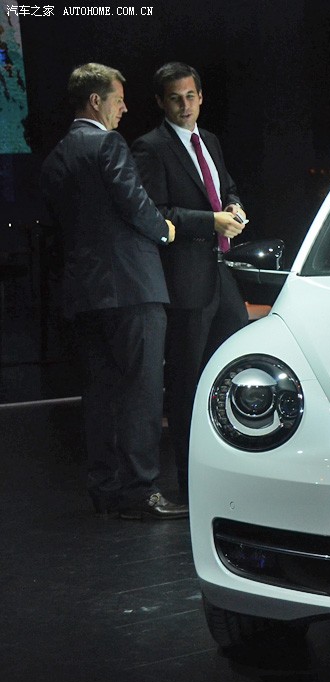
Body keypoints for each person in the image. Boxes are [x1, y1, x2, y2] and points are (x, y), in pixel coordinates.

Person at [40, 63, 187, 521]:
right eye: (118, 100)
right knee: (143, 391)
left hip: (85, 294)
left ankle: (105, 488)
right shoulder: (107, 143)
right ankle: (140, 492)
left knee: (100, 395)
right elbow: (134, 203)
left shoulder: (56, 157)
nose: (124, 109)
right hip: (132, 287)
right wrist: (165, 230)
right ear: (95, 101)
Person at [132, 62, 249, 497]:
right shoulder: (150, 148)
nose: (185, 105)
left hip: (221, 274)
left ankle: (234, 471)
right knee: (187, 386)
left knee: (234, 372)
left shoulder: (210, 140)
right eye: (175, 98)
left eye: (190, 96)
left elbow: (227, 187)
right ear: (161, 102)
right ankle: (190, 484)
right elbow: (155, 213)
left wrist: (234, 208)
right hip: (185, 282)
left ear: (201, 97)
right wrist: (210, 220)